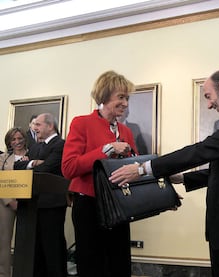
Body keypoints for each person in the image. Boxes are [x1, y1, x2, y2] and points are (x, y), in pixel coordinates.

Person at [110, 70, 219, 277]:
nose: (209, 105)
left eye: (208, 96)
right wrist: (182, 178)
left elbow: (202, 150)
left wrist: (144, 168)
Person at [61, 70, 137, 277]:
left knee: (119, 264)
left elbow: (134, 168)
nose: (126, 103)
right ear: (104, 96)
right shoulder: (81, 123)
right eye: (121, 97)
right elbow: (69, 167)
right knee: (92, 265)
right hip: (89, 205)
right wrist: (107, 149)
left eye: (127, 98)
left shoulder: (127, 131)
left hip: (119, 205)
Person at [14, 113, 67, 277]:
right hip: (32, 204)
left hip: (52, 204)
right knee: (35, 249)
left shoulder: (61, 144)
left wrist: (29, 165)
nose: (34, 128)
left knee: (52, 247)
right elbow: (17, 166)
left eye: (37, 124)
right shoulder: (35, 146)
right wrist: (32, 163)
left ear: (50, 126)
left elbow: (47, 168)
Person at [0, 127, 29, 277]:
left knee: (26, 241)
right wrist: (10, 202)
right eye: (13, 139)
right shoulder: (3, 158)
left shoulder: (33, 155)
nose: (17, 142)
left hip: (28, 203)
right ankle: (3, 273)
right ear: (9, 142)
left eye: (20, 138)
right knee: (4, 241)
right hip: (6, 203)